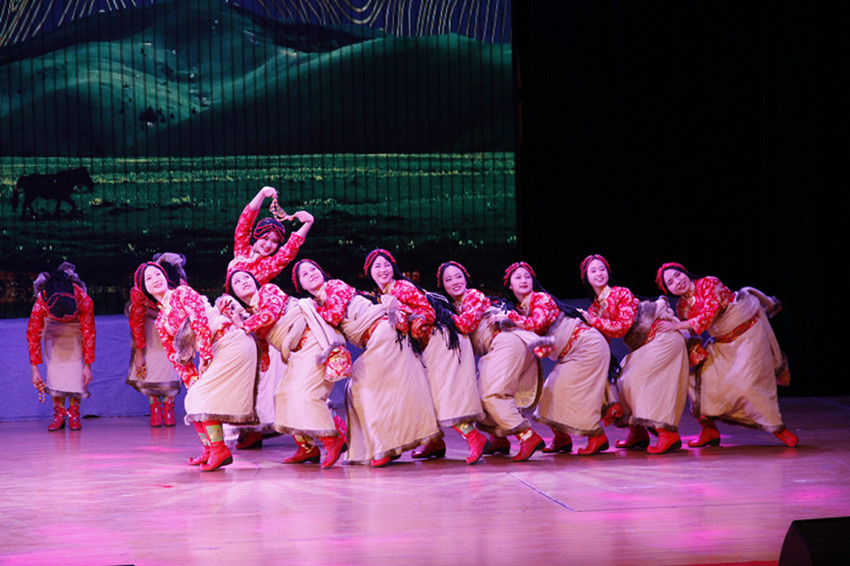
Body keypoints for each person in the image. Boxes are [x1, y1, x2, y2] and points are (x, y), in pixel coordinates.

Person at [293, 258, 441, 467]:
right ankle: (386, 446)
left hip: (384, 333)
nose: (311, 274)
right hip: (377, 338)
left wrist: (310, 309)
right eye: (305, 274)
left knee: (363, 386)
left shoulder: (334, 285)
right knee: (361, 390)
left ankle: (383, 447)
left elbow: (334, 315)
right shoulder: (319, 303)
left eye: (313, 269)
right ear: (300, 285)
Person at [656, 262, 798, 448]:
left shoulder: (708, 283)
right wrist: (684, 343)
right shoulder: (682, 307)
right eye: (670, 282)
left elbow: (709, 314)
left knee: (748, 385)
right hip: (722, 341)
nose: (677, 282)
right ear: (668, 290)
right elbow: (690, 331)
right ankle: (709, 431)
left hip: (748, 334)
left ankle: (778, 428)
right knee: (698, 382)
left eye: (677, 275)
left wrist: (676, 326)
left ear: (685, 273)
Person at [135, 262, 259, 471]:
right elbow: (175, 355)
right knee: (193, 397)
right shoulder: (161, 321)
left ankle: (219, 450)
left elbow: (199, 321)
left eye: (158, 274)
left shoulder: (182, 293)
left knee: (202, 397)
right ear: (144, 288)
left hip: (229, 342)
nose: (155, 279)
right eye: (149, 278)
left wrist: (205, 357)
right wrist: (191, 380)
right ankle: (210, 449)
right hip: (215, 350)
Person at [222, 269, 348, 468]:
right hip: (297, 350)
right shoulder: (251, 313)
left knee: (304, 393)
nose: (244, 281)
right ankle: (307, 448)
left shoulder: (268, 291)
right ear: (234, 293)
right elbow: (263, 344)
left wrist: (242, 325)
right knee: (282, 395)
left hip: (311, 340)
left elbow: (269, 315)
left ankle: (332, 439)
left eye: (247, 277)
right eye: (237, 281)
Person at [225, 185, 314, 449]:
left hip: (258, 323)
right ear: (256, 237)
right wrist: (263, 194)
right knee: (241, 375)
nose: (269, 245)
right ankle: (250, 431)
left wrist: (307, 224)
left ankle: (302, 435)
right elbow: (244, 221)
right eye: (265, 238)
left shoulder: (270, 264)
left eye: (275, 242)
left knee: (266, 378)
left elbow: (290, 250)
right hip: (234, 317)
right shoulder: (240, 252)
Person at [498, 262, 612, 457]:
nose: (524, 280)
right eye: (518, 277)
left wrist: (509, 318)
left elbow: (537, 324)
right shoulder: (521, 308)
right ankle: (562, 438)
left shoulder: (541, 298)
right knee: (549, 393)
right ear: (510, 284)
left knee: (576, 395)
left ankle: (596, 436)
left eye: (527, 276)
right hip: (571, 352)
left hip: (586, 346)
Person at [579, 255, 688, 454]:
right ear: (586, 277)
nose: (599, 273)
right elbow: (601, 337)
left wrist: (592, 321)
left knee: (638, 381)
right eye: (593, 271)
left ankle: (667, 433)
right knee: (618, 382)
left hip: (662, 338)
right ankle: (638, 432)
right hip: (644, 346)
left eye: (602, 269)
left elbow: (622, 326)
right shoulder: (594, 308)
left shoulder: (621, 293)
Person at [405, 261, 490, 464]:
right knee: (426, 392)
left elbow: (465, 324)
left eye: (458, 276)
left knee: (443, 395)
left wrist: (443, 313)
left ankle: (474, 437)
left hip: (487, 347)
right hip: (457, 345)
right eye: (448, 279)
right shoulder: (451, 303)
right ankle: (434, 441)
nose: (455, 282)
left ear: (466, 278)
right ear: (442, 285)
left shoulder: (473, 295)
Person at [27, 262, 95, 431]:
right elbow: (33, 334)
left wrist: (88, 366)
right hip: (53, 332)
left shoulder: (82, 298)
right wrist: (35, 369)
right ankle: (58, 414)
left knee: (76, 373)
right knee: (55, 373)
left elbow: (89, 332)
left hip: (75, 330)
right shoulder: (42, 300)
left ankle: (74, 413)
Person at [126, 252, 187, 427]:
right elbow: (137, 320)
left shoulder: (181, 287)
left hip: (173, 330)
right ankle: (155, 409)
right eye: (150, 277)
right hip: (150, 333)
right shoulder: (139, 290)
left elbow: (184, 314)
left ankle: (168, 409)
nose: (156, 280)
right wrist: (139, 352)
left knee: (170, 367)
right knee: (150, 366)